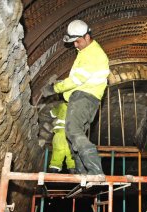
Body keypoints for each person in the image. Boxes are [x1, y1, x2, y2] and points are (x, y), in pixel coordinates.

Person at [42, 19, 110, 175]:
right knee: (72, 137)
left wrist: (54, 88)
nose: (75, 45)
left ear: (87, 37)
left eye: (77, 41)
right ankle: (82, 174)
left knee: (72, 131)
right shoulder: (86, 52)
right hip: (86, 98)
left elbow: (76, 80)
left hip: (84, 97)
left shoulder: (92, 55)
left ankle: (95, 171)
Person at [48, 102, 76, 174]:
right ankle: (73, 173)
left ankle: (53, 175)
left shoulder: (62, 105)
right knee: (71, 155)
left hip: (59, 134)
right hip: (72, 136)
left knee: (57, 154)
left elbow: (52, 113)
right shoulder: (78, 108)